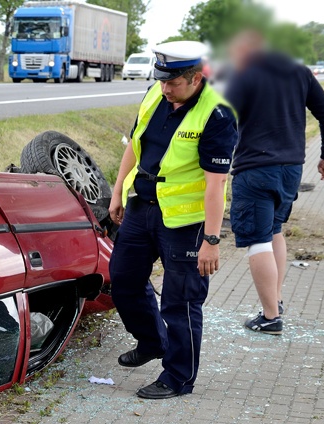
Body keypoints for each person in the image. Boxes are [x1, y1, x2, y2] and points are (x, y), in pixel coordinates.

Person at [108, 41, 238, 400]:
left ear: (196, 78)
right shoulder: (155, 94)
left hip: (185, 222)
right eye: (161, 80)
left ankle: (179, 377)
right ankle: (153, 341)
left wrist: (211, 240)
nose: (165, 89)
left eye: (174, 83)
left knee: (180, 302)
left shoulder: (217, 115)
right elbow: (134, 145)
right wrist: (118, 190)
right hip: (141, 206)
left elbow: (216, 186)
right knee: (122, 281)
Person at [225, 30, 324, 335]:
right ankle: (275, 299)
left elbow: (222, 117)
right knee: (275, 231)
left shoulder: (245, 74)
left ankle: (270, 316)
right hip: (291, 169)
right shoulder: (299, 72)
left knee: (257, 240)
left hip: (256, 170)